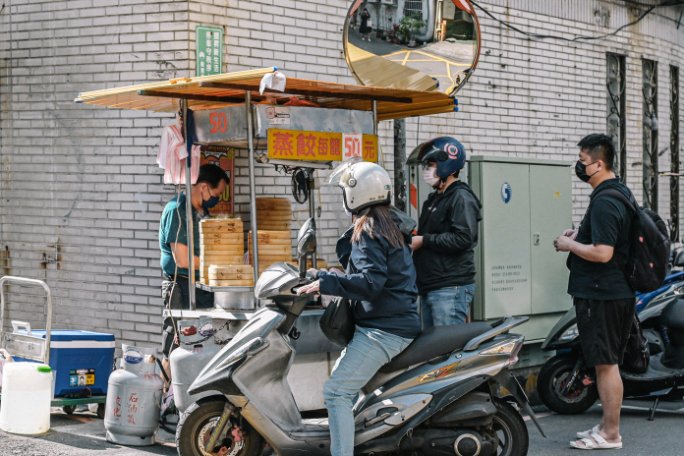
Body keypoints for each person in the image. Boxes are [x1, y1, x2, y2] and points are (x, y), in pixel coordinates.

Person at [297, 161, 420, 456]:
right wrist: (333, 278)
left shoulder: (369, 229)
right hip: (392, 322)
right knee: (347, 390)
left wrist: (325, 282)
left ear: (355, 194)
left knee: (335, 391)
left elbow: (369, 283)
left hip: (383, 330)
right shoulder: (390, 224)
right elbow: (375, 277)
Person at [554, 133, 634, 450]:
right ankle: (605, 425)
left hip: (604, 294)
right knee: (604, 361)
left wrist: (568, 244)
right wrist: (580, 234)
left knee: (606, 363)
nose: (579, 166)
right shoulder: (616, 193)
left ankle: (611, 434)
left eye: (583, 161)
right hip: (608, 292)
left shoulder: (605, 200)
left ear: (598, 164)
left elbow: (603, 253)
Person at [409, 136, 482, 328]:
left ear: (447, 166)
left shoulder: (461, 197)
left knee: (447, 349)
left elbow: (464, 238)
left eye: (431, 165)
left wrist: (424, 240)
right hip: (431, 285)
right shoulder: (434, 199)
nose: (427, 171)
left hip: (450, 287)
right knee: (433, 350)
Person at [159, 163, 229, 358]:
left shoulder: (202, 214)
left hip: (202, 288)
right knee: (177, 345)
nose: (217, 198)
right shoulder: (177, 210)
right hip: (180, 286)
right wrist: (219, 263)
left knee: (203, 343)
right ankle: (169, 386)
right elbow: (182, 259)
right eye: (217, 193)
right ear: (204, 187)